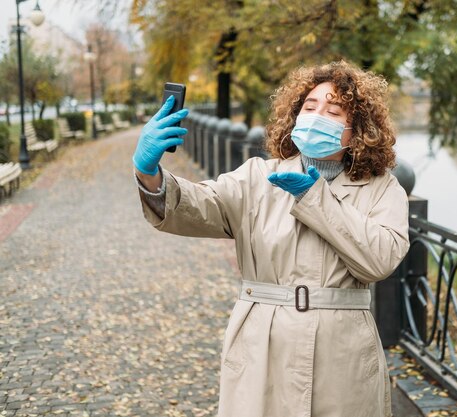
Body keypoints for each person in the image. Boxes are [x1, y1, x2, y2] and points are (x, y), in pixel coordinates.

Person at [133, 61, 410, 417]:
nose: (317, 116)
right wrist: (149, 173)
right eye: (309, 107)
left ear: (357, 128)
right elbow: (200, 205)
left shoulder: (382, 189)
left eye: (334, 110)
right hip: (263, 342)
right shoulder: (259, 175)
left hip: (342, 352)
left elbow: (380, 259)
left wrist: (316, 199)